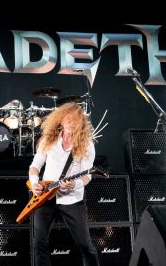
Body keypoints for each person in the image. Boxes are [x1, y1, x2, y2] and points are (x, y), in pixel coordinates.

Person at [29, 102, 100, 266]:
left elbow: (88, 176)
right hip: (45, 197)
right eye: (68, 120)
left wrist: (73, 185)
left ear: (81, 123)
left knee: (85, 245)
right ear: (60, 120)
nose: (71, 124)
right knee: (40, 243)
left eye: (75, 121)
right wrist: (34, 184)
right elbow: (35, 166)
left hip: (72, 199)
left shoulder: (87, 144)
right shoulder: (48, 139)